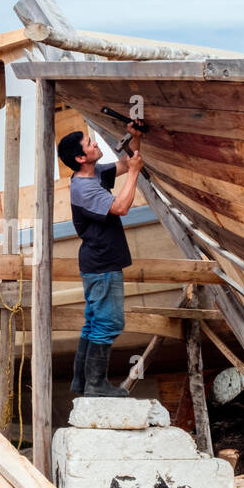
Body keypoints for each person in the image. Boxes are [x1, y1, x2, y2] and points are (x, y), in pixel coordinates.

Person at [55, 128, 143, 397]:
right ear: (81, 158)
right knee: (109, 323)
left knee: (94, 323)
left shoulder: (94, 174)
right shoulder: (84, 188)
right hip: (102, 265)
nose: (95, 144)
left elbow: (128, 161)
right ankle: (96, 384)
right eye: (90, 143)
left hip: (97, 264)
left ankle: (81, 382)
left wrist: (134, 137)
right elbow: (121, 207)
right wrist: (135, 174)